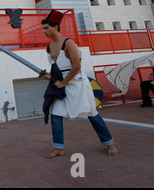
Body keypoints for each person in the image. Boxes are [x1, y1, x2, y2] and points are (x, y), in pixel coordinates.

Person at [41, 10, 118, 158]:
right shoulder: (49, 48)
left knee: (92, 114)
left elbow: (76, 67)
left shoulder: (68, 43)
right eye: (43, 28)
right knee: (56, 114)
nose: (44, 31)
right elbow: (56, 68)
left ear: (55, 27)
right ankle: (58, 147)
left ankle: (110, 143)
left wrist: (63, 82)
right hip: (61, 84)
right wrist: (49, 76)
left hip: (77, 84)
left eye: (46, 28)